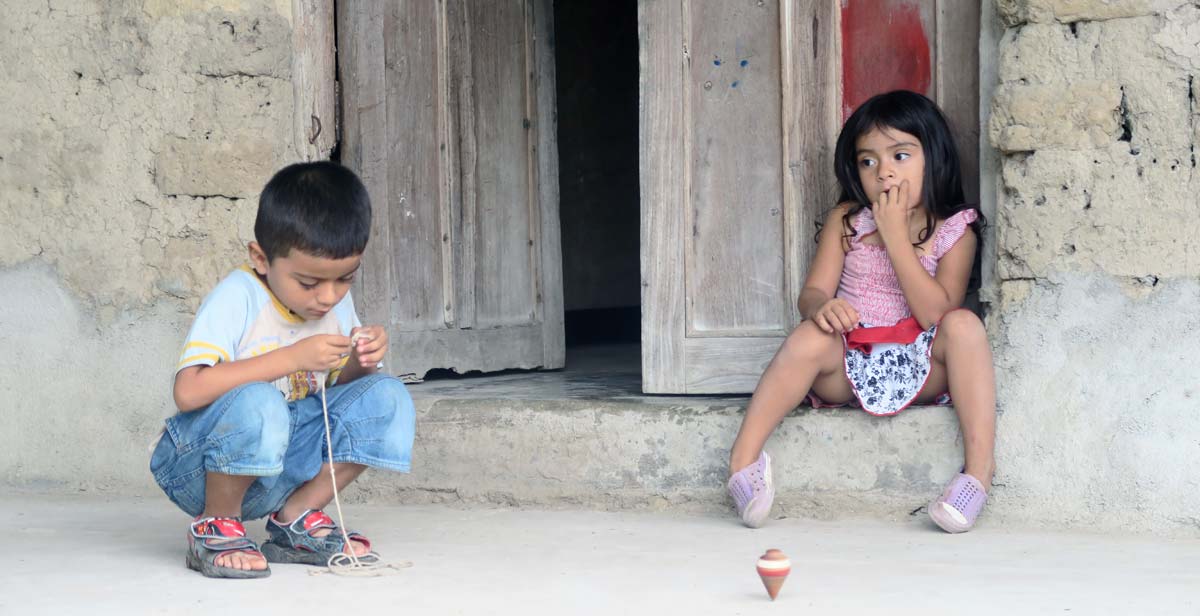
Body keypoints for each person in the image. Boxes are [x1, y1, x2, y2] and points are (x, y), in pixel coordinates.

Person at [726, 90, 995, 533]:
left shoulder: (954, 231)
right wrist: (822, 308)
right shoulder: (847, 220)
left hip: (921, 367)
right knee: (810, 334)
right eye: (868, 161)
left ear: (935, 158)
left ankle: (977, 476)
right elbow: (812, 292)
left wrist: (894, 235)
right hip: (848, 364)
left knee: (965, 326)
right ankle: (743, 463)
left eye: (901, 155)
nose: (883, 172)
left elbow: (937, 316)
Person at [149, 161, 416, 578]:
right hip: (200, 465)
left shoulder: (332, 301)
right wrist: (291, 358)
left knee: (388, 396)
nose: (328, 297)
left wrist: (358, 364)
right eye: (309, 283)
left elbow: (329, 388)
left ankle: (296, 517)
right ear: (261, 258)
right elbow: (188, 391)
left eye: (345, 278)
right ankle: (215, 523)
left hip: (285, 462)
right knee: (260, 400)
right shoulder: (238, 296)